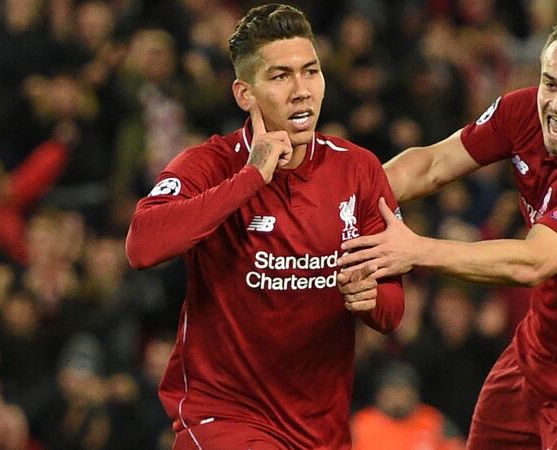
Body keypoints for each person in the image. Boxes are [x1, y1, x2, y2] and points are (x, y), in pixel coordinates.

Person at [339, 11, 557, 449]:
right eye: (551, 83)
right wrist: (340, 203)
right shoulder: (523, 111)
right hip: (534, 358)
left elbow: (533, 262)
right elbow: (433, 164)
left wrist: (414, 249)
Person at [124, 4, 404, 450]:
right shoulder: (210, 164)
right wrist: (251, 177)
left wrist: (369, 299)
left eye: (311, 72)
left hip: (320, 428)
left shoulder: (359, 170)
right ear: (244, 94)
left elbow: (392, 309)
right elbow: (142, 245)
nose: (302, 91)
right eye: (280, 76)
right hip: (223, 418)